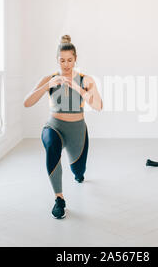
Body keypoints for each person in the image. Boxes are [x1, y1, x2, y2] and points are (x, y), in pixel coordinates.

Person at [23, 35, 103, 219]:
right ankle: (59, 199)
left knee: (78, 172)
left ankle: (79, 173)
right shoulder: (49, 78)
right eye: (62, 60)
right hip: (54, 126)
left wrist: (78, 88)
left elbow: (98, 106)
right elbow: (27, 103)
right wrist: (47, 86)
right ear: (57, 60)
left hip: (77, 131)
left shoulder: (86, 79)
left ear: (75, 59)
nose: (66, 64)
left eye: (69, 60)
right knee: (52, 146)